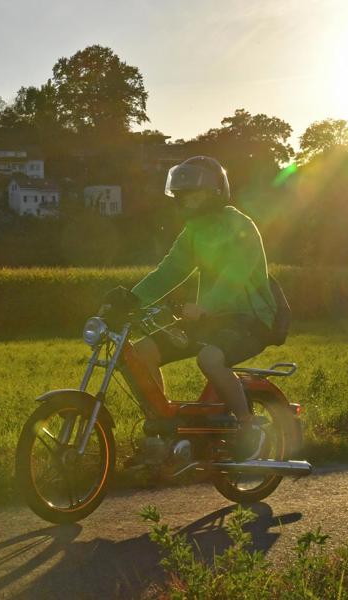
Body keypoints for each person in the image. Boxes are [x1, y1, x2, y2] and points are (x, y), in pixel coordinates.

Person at [106, 156, 277, 461]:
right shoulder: (194, 231)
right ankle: (165, 428)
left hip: (249, 319)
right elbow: (168, 272)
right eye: (183, 194)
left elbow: (234, 278)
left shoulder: (240, 226)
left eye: (194, 193)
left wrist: (205, 306)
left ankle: (248, 428)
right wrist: (131, 300)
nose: (187, 200)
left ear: (214, 192)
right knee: (140, 353)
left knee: (210, 358)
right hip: (209, 319)